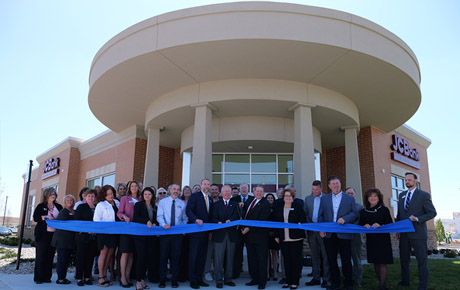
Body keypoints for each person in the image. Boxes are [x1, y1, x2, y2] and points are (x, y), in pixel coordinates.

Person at [396, 172, 437, 290]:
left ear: (415, 181)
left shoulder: (423, 195)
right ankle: (405, 281)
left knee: (421, 261)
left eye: (409, 179)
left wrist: (418, 218)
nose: (407, 181)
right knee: (404, 260)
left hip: (418, 234)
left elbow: (432, 213)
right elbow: (399, 214)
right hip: (404, 234)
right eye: (406, 180)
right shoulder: (401, 195)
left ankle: (423, 285)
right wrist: (398, 230)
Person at [318, 176, 358, 290]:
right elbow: (320, 215)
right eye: (333, 184)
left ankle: (348, 283)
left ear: (340, 184)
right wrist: (322, 229)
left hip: (344, 233)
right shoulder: (324, 199)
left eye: (337, 183)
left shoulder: (349, 198)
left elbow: (355, 213)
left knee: (346, 259)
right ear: (330, 186)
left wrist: (345, 218)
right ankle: (335, 282)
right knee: (331, 259)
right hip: (329, 234)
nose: (336, 185)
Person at [359, 188, 394, 290]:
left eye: (375, 196)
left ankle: (382, 286)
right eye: (370, 196)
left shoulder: (384, 210)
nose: (373, 198)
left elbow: (390, 224)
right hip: (371, 240)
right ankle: (380, 281)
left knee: (382, 262)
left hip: (383, 240)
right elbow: (360, 224)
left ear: (379, 198)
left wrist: (380, 225)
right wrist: (364, 225)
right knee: (375, 262)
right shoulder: (363, 212)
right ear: (367, 198)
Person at [272, 189, 307, 290]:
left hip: (296, 238)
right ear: (283, 197)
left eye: (289, 196)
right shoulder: (279, 208)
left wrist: (300, 223)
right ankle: (288, 280)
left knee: (295, 261)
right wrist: (276, 236)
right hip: (284, 238)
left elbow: (303, 219)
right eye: (286, 196)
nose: (288, 197)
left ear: (293, 197)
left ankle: (295, 282)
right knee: (286, 261)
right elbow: (276, 223)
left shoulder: (298, 207)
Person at [157, 183, 188, 288]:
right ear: (169, 190)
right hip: (165, 233)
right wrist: (163, 224)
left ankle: (174, 280)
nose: (176, 191)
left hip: (177, 235)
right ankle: (162, 280)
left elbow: (185, 218)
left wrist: (183, 228)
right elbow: (159, 216)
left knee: (175, 258)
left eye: (178, 189)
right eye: (174, 189)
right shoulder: (162, 202)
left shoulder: (182, 203)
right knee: (163, 258)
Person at [242, 185, 271, 290]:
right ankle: (254, 278)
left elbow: (262, 220)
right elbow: (245, 215)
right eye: (257, 191)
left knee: (261, 259)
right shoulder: (249, 201)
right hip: (249, 237)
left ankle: (262, 282)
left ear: (263, 193)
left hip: (260, 237)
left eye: (261, 191)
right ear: (253, 192)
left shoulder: (265, 204)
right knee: (252, 259)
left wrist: (248, 228)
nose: (258, 193)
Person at [186, 178, 214, 289]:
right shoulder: (195, 196)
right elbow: (189, 211)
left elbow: (210, 217)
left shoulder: (210, 199)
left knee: (202, 257)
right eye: (205, 184)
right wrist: (196, 219)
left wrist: (210, 231)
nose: (206, 186)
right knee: (193, 256)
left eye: (208, 184)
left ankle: (199, 278)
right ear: (201, 185)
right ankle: (192, 280)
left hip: (205, 233)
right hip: (195, 232)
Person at [211, 185, 239, 288]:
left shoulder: (235, 204)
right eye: (225, 192)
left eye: (228, 192)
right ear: (221, 193)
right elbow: (212, 217)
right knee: (218, 259)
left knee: (230, 258)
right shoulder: (216, 204)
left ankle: (228, 279)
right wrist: (217, 221)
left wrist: (230, 220)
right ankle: (219, 280)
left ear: (231, 193)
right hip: (219, 234)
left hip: (231, 234)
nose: (227, 193)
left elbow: (237, 215)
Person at [33, 187, 62, 284]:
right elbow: (35, 218)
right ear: (46, 195)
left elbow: (62, 218)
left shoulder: (58, 206)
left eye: (54, 194)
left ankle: (47, 277)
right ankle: (38, 278)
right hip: (42, 235)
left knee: (50, 256)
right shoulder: (41, 206)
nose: (53, 195)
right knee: (41, 256)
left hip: (54, 235)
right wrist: (45, 217)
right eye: (51, 194)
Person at [304, 180, 330, 288]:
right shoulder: (308, 199)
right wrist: (311, 227)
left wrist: (320, 228)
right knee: (314, 255)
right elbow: (305, 214)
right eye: (313, 189)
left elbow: (328, 215)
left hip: (323, 232)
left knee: (325, 255)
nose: (314, 191)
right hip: (311, 232)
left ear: (321, 189)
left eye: (316, 189)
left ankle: (326, 279)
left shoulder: (327, 199)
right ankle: (316, 277)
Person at [133, 187, 159, 290]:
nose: (147, 196)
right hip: (140, 237)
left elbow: (156, 219)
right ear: (142, 196)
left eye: (149, 194)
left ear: (152, 196)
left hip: (151, 237)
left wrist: (155, 223)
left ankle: (143, 279)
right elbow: (135, 218)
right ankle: (138, 281)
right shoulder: (138, 205)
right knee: (140, 258)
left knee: (147, 258)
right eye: (145, 194)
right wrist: (146, 221)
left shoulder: (154, 206)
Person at [94, 185, 119, 287]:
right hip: (104, 233)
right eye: (108, 194)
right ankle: (100, 276)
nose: (110, 196)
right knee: (103, 253)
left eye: (111, 193)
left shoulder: (117, 203)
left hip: (114, 233)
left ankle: (105, 275)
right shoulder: (100, 205)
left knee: (110, 255)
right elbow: (96, 219)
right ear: (104, 195)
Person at [117, 180, 141, 287]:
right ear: (129, 188)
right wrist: (124, 216)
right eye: (132, 186)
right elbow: (119, 212)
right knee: (125, 253)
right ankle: (122, 277)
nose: (134, 188)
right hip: (126, 229)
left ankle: (127, 275)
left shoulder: (141, 199)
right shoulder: (124, 199)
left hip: (137, 230)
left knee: (132, 253)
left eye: (136, 186)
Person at [75, 189, 98, 286]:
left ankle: (87, 277)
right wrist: (86, 230)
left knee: (90, 257)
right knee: (81, 257)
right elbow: (77, 221)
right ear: (85, 197)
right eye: (89, 196)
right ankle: (79, 278)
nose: (91, 198)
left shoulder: (98, 207)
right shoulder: (81, 207)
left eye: (92, 196)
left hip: (94, 237)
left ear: (95, 198)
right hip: (82, 236)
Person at [51, 194, 77, 285]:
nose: (70, 202)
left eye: (71, 200)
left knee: (66, 260)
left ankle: (63, 277)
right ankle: (60, 278)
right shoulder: (63, 212)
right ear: (65, 203)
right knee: (62, 259)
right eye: (68, 201)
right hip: (62, 240)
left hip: (70, 241)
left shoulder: (75, 212)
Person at [230, 183, 253, 278]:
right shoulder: (234, 200)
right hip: (237, 230)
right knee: (237, 252)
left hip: (250, 230)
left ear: (248, 189)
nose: (243, 189)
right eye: (242, 188)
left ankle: (252, 273)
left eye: (245, 188)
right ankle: (236, 272)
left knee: (251, 252)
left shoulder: (253, 199)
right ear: (239, 190)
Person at [345, 187, 364, 287]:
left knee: (357, 260)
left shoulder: (359, 207)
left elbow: (361, 220)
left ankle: (358, 280)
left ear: (355, 195)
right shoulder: (341, 207)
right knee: (346, 260)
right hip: (343, 237)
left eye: (352, 193)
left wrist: (352, 227)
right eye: (348, 193)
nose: (350, 195)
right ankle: (347, 279)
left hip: (355, 237)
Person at [204, 183, 221, 282]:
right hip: (209, 231)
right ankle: (207, 272)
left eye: (216, 189)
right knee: (208, 254)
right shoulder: (207, 200)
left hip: (220, 233)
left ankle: (218, 272)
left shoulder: (222, 201)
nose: (214, 191)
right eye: (212, 189)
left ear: (218, 191)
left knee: (218, 255)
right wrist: (210, 231)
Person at [179, 185, 192, 282]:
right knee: (181, 253)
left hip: (191, 230)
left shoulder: (193, 202)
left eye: (188, 190)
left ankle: (188, 273)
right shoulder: (180, 202)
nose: (187, 192)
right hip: (180, 231)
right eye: (185, 190)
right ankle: (181, 274)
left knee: (189, 253)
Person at [265, 193, 279, 281]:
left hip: (274, 234)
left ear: (274, 199)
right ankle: (266, 274)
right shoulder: (264, 208)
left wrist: (274, 232)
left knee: (274, 253)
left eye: (271, 198)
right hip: (265, 234)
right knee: (266, 254)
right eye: (268, 198)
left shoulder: (276, 209)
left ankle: (275, 273)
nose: (270, 199)